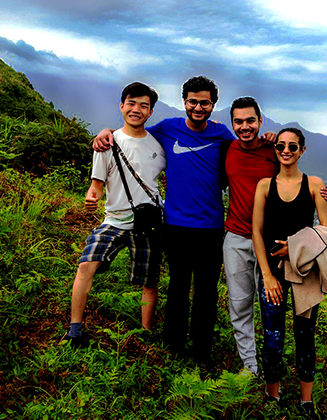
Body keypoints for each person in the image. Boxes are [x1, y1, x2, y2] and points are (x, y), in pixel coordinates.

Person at [93, 75, 237, 364]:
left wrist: (270, 139)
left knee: (207, 293)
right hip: (176, 225)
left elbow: (248, 147)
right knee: (178, 288)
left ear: (213, 105)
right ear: (184, 102)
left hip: (211, 227)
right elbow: (133, 130)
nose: (198, 107)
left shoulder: (222, 134)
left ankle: (201, 352)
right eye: (193, 101)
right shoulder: (168, 128)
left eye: (205, 103)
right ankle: (173, 347)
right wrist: (105, 131)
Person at [223, 97, 327, 377]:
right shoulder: (226, 147)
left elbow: (297, 178)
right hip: (236, 236)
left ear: (260, 122)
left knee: (271, 308)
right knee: (240, 304)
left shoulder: (273, 149)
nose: (244, 126)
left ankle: (275, 367)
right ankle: (252, 367)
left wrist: (324, 195)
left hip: (273, 245)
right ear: (232, 123)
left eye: (250, 120)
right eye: (238, 121)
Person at [63, 82, 166, 347]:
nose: (136, 110)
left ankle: (145, 332)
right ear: (121, 106)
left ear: (151, 112)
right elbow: (96, 185)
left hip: (148, 221)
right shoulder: (107, 143)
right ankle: (75, 328)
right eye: (131, 103)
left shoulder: (158, 145)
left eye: (144, 105)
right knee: (86, 265)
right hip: (115, 219)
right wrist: (91, 197)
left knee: (149, 280)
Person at [252, 127, 327, 419]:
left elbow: (326, 230)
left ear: (302, 150)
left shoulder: (314, 185)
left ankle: (306, 401)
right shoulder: (264, 185)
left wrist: (296, 246)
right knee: (272, 336)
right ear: (276, 149)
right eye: (281, 146)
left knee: (305, 335)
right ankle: (272, 395)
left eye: (293, 146)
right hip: (272, 272)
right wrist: (267, 275)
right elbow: (257, 232)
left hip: (305, 270)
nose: (286, 151)